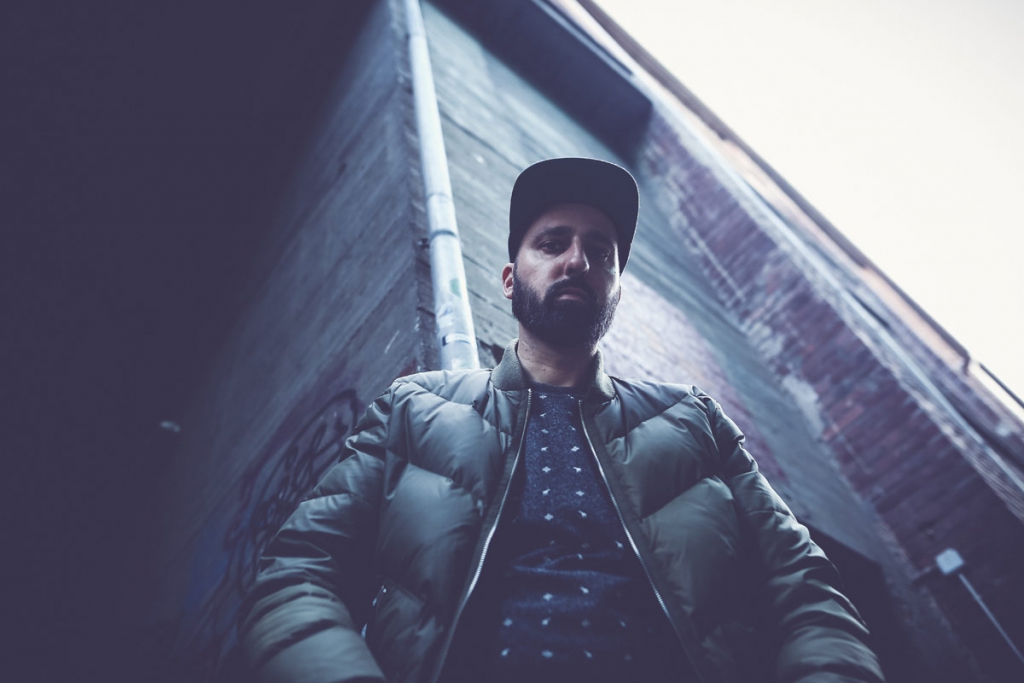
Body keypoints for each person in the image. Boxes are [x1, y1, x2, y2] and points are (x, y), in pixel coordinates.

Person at [239, 158, 884, 683]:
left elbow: (809, 592)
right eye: (553, 244)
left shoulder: (693, 421)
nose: (578, 261)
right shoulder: (415, 407)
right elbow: (298, 574)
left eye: (601, 253)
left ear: (616, 290)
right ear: (508, 279)